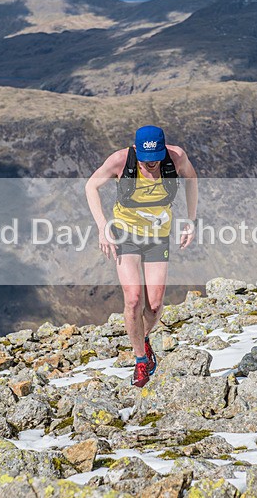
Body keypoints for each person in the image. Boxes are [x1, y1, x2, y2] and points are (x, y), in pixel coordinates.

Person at [85, 125, 198, 387]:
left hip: (158, 235)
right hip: (126, 234)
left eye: (156, 158)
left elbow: (192, 180)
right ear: (136, 150)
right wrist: (103, 227)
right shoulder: (120, 160)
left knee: (155, 305)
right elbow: (91, 186)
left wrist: (191, 220)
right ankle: (139, 361)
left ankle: (143, 338)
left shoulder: (176, 157)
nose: (152, 164)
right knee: (134, 299)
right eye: (147, 160)